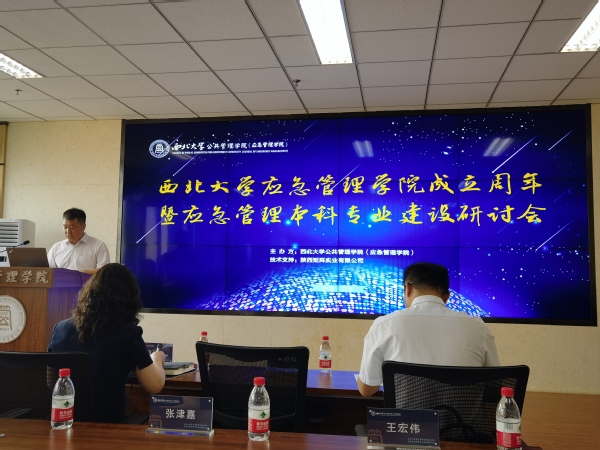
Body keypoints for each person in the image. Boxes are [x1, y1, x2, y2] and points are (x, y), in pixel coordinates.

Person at [357, 262, 501, 397]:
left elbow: (367, 390)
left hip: (407, 416)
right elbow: (495, 385)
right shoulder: (478, 327)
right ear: (446, 297)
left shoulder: (383, 326)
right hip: (462, 417)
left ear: (408, 288)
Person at [48, 263, 165, 423]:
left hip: (64, 421)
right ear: (130, 298)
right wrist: (157, 357)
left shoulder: (60, 328)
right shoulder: (128, 333)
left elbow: (50, 381)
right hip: (107, 425)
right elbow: (154, 385)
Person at [47, 208, 110, 274]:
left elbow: (103, 271)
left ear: (83, 227)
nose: (68, 231)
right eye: (65, 227)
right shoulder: (56, 247)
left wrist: (77, 274)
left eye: (72, 227)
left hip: (87, 281)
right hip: (61, 281)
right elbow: (48, 271)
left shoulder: (98, 246)